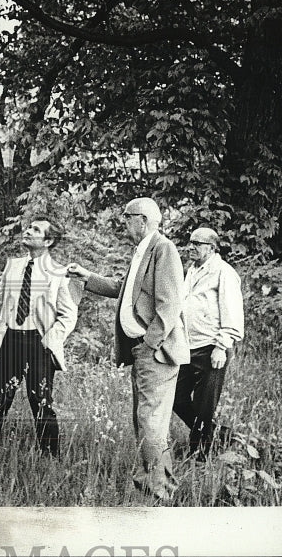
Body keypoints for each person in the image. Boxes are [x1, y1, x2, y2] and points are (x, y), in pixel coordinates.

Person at [67, 197, 189, 500]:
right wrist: (87, 277)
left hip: (155, 352)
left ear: (144, 220)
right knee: (144, 419)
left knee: (150, 419)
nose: (123, 222)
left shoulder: (164, 249)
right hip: (141, 351)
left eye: (127, 216)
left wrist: (150, 343)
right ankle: (155, 483)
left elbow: (170, 304)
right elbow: (125, 289)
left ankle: (161, 490)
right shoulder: (141, 251)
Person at [0, 218, 78, 457]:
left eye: (35, 230)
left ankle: (50, 457)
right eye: (28, 227)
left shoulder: (58, 273)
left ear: (48, 241)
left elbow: (68, 315)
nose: (27, 231)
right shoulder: (13, 266)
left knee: (42, 403)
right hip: (9, 341)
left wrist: (51, 339)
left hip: (39, 344)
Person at [173, 226, 244, 459]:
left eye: (197, 244)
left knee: (205, 406)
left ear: (211, 248)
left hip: (211, 348)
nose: (191, 248)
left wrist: (222, 346)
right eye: (190, 243)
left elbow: (232, 311)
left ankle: (199, 457)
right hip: (187, 346)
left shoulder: (224, 272)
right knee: (176, 397)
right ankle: (218, 435)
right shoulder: (191, 271)